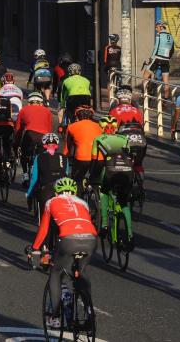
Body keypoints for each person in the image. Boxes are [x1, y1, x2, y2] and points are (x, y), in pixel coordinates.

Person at [27, 177, 97, 330]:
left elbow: (44, 229)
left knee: (56, 273)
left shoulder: (51, 202)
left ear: (56, 191)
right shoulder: (82, 203)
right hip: (91, 238)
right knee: (81, 272)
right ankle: (89, 311)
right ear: (74, 191)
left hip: (68, 239)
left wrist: (34, 248)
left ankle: (55, 317)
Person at [92, 115, 134, 250]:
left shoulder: (98, 139)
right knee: (124, 203)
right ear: (116, 128)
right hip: (127, 171)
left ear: (102, 127)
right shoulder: (124, 138)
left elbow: (95, 162)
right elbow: (129, 156)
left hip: (110, 170)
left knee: (104, 193)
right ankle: (130, 235)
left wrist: (92, 178)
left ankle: (104, 225)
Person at [26, 133, 68, 223]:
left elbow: (34, 178)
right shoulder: (64, 158)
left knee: (44, 221)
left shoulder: (39, 157)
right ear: (56, 146)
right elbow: (66, 174)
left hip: (47, 189)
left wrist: (29, 193)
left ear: (44, 146)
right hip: (64, 189)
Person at [15, 92, 54, 186]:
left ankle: (25, 175)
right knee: (42, 157)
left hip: (30, 134)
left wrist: (17, 143)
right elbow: (49, 130)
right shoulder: (48, 111)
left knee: (24, 154)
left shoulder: (24, 110)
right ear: (41, 103)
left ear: (29, 102)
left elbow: (18, 129)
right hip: (43, 136)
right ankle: (43, 177)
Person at [63, 106, 102, 185]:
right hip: (99, 158)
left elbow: (67, 148)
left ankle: (79, 193)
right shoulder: (99, 126)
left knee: (77, 180)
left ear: (77, 116)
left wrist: (65, 158)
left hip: (82, 158)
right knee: (96, 180)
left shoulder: (71, 126)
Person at [142, 20, 175, 99]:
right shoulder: (170, 36)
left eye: (157, 27)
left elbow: (156, 47)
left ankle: (145, 95)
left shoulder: (159, 34)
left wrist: (151, 58)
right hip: (166, 60)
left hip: (157, 58)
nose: (156, 29)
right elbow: (172, 50)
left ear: (160, 27)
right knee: (166, 82)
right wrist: (167, 58)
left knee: (145, 75)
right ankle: (165, 101)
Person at [58, 63, 92, 128]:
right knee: (86, 111)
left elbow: (63, 96)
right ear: (79, 72)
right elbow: (89, 92)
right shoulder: (86, 80)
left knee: (70, 112)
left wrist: (62, 106)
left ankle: (71, 123)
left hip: (73, 97)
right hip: (86, 97)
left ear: (69, 73)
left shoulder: (66, 81)